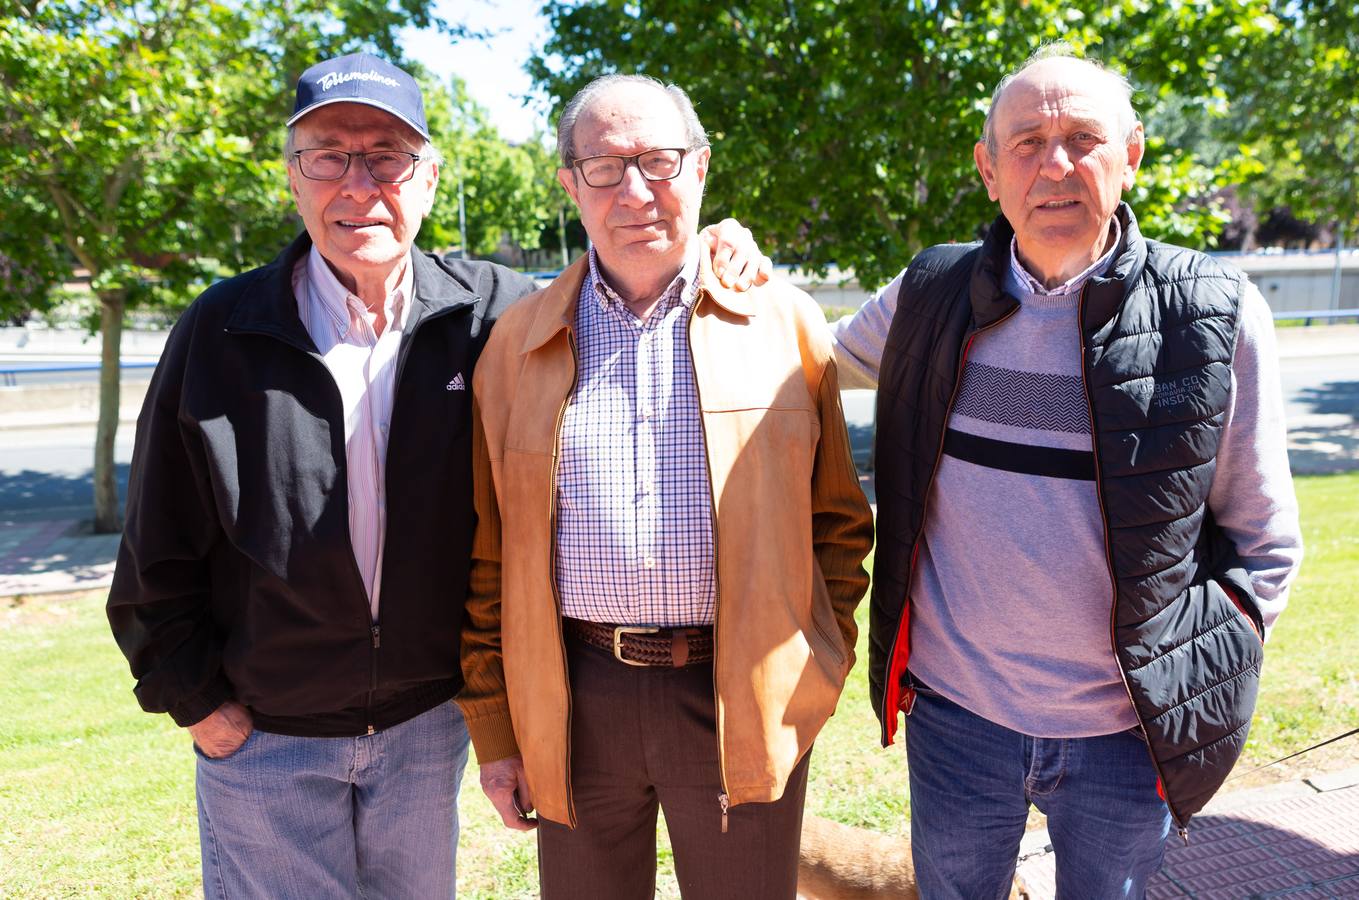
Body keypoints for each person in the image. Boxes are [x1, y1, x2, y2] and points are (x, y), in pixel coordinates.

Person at [106, 53, 769, 898]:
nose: (358, 185)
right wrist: (196, 701)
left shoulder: (492, 314)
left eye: (385, 156)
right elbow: (155, 537)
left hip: (423, 734)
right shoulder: (220, 329)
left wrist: (714, 241)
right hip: (267, 735)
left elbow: (626, 266)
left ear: (426, 177)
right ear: (293, 177)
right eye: (328, 156)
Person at [833, 46, 1304, 897]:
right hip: (955, 722)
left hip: (1121, 736)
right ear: (987, 169)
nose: (1054, 165)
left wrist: (1197, 673)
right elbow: (799, 359)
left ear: (1131, 154)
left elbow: (1263, 539)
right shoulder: (926, 297)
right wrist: (734, 264)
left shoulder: (1216, 314)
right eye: (1025, 142)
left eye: (1082, 137)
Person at [457, 74, 875, 899]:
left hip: (738, 694)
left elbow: (838, 525)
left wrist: (818, 668)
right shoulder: (515, 343)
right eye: (605, 167)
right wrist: (497, 727)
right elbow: (489, 555)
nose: (636, 190)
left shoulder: (784, 325)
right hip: (575, 699)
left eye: (658, 160)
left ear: (701, 168)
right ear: (569, 184)